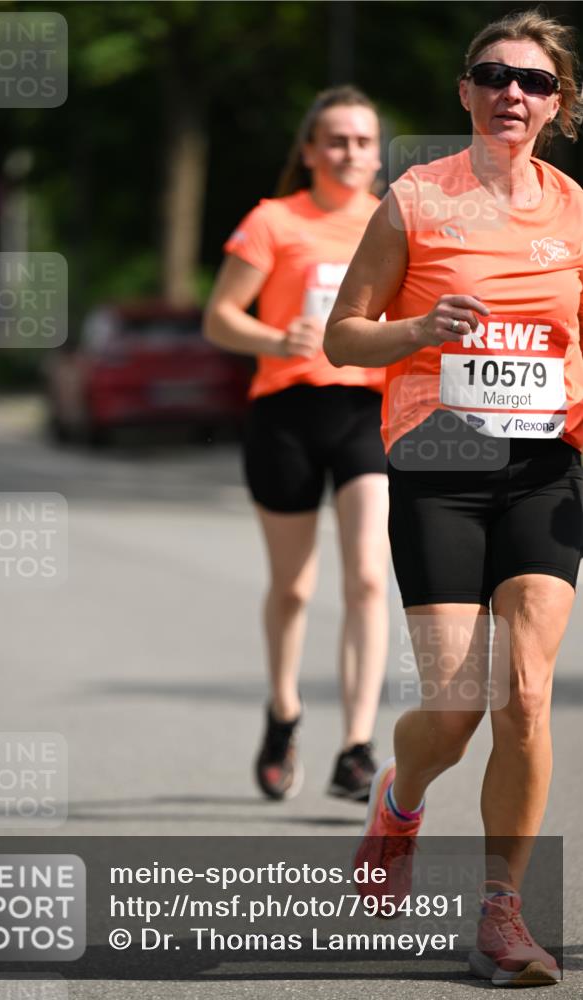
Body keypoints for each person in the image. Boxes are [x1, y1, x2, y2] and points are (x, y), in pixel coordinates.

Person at [325, 9, 582, 987]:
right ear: (466, 94)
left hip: (543, 469)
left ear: (558, 103)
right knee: (458, 705)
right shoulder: (413, 200)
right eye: (492, 74)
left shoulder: (575, 212)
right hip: (438, 468)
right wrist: (421, 326)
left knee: (523, 695)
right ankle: (399, 798)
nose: (511, 91)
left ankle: (500, 914)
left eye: (533, 79)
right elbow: (343, 337)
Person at [204, 87, 390, 802]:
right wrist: (274, 338)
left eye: (362, 141)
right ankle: (283, 711)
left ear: (378, 154)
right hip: (284, 411)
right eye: (335, 140)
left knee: (369, 577)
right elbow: (220, 318)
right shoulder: (273, 221)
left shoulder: (393, 222)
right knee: (294, 586)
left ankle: (356, 745)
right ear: (309, 151)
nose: (349, 152)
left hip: (364, 411)